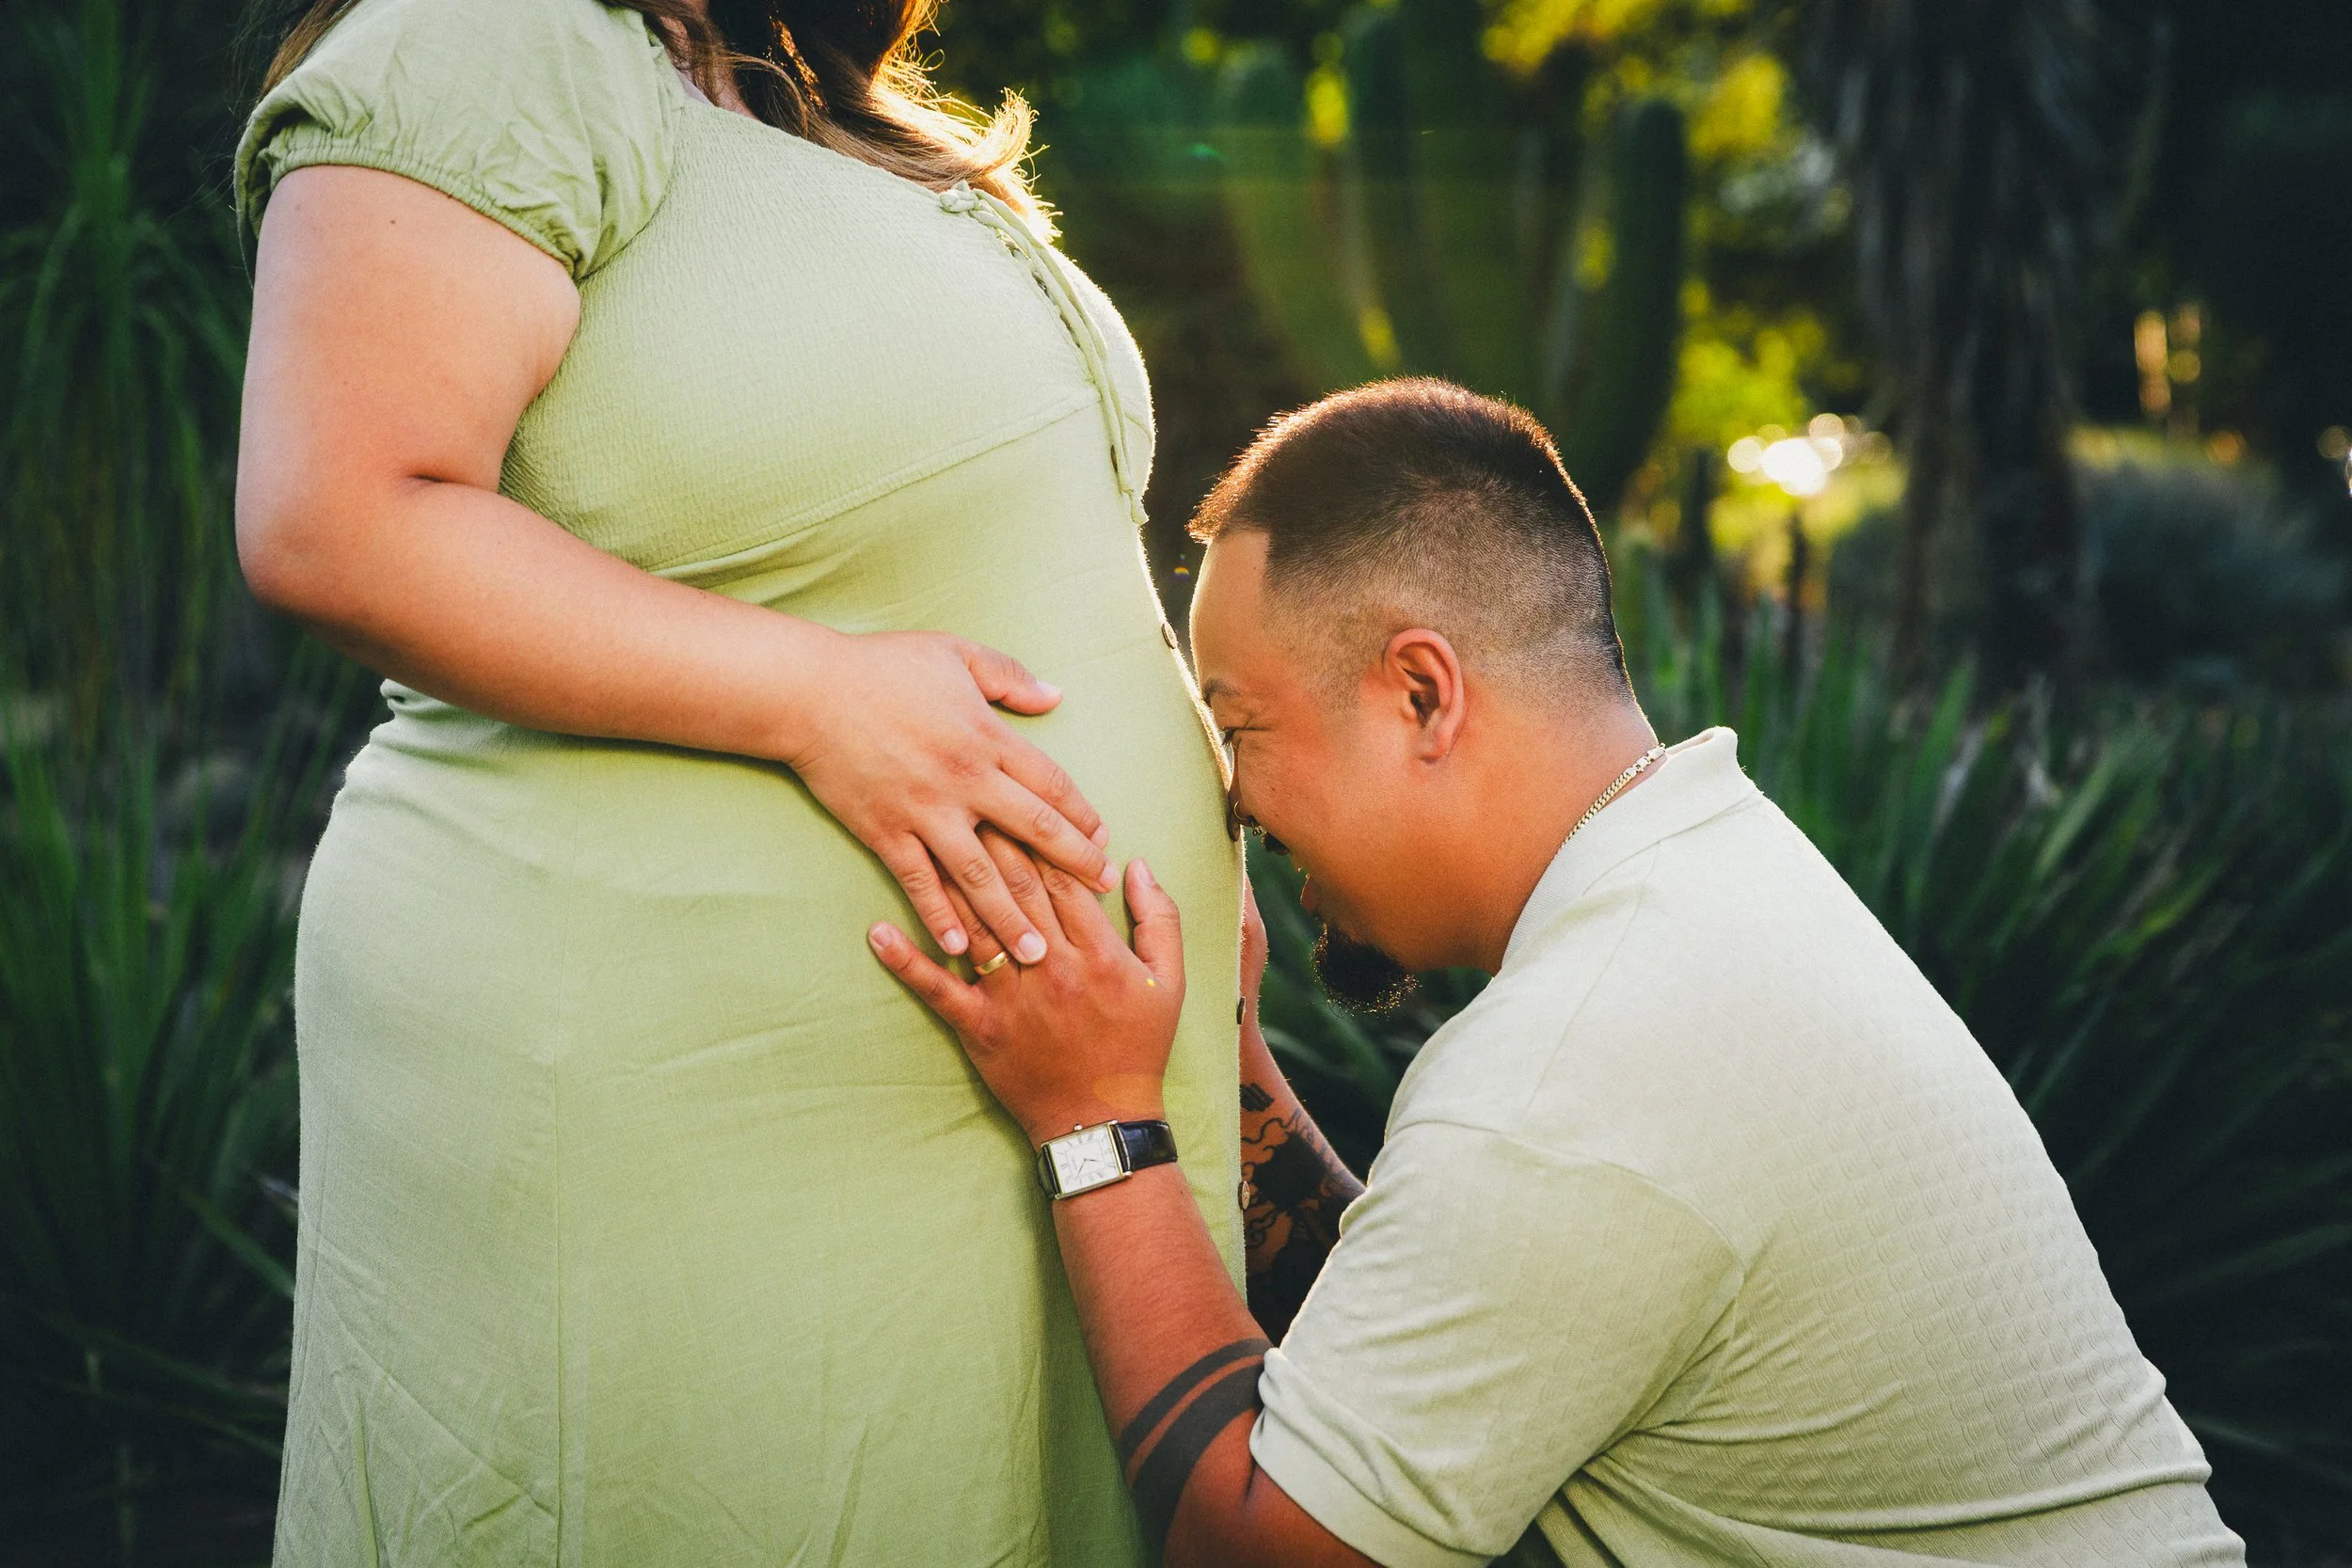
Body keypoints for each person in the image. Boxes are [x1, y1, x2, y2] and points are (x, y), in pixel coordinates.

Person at [869, 379, 2248, 1567]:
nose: (1233, 799)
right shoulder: (1706, 874)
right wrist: (1229, 1075)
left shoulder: (1576, 1061)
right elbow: (1448, 1326)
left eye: (1241, 727)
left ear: (1422, 692)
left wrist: (1095, 1115)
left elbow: (1265, 1542)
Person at [231, 0, 1242, 1560]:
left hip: (1030, 1123)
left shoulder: (823, 106)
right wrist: (823, 699)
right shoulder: (498, 35)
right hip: (679, 1117)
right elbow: (336, 512)